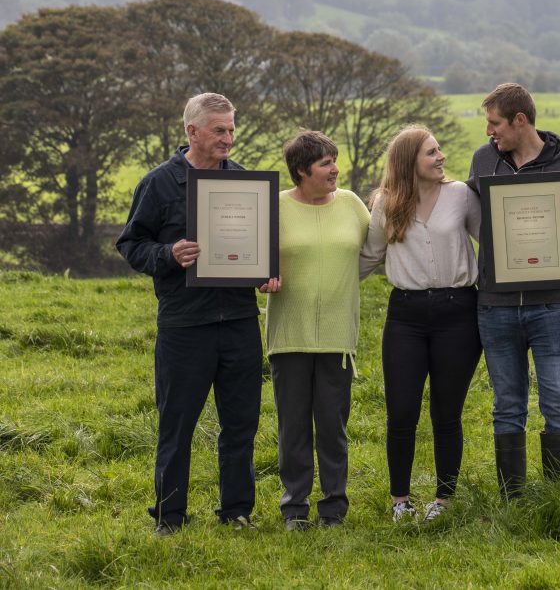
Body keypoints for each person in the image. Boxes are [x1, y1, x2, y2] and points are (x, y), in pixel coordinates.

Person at [117, 93, 274, 534]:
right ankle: (170, 517)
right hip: (184, 325)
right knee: (177, 425)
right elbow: (131, 244)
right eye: (219, 130)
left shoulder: (244, 181)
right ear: (192, 131)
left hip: (240, 321)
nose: (228, 138)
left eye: (231, 129)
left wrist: (265, 272)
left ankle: (237, 511)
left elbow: (259, 244)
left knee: (241, 424)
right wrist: (168, 253)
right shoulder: (158, 184)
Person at [466, 83, 560, 499]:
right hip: (495, 306)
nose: (489, 131)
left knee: (558, 399)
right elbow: (463, 215)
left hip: (552, 306)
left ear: (520, 120)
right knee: (506, 404)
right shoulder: (483, 161)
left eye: (495, 123)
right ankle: (514, 499)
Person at [360, 125, 482, 523]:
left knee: (447, 413)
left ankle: (443, 501)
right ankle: (401, 501)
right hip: (406, 316)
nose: (440, 156)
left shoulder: (462, 195)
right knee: (401, 411)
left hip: (458, 313)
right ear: (408, 160)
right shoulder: (385, 203)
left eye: (439, 150)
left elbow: (494, 242)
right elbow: (369, 256)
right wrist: (315, 282)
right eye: (431, 152)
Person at [262, 131, 370, 531]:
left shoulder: (352, 204)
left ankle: (333, 508)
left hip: (338, 337)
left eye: (334, 160)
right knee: (293, 428)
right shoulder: (274, 208)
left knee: (332, 427)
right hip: (289, 335)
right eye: (326, 163)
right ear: (302, 170)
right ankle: (294, 508)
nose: (335, 169)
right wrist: (262, 277)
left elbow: (376, 250)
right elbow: (256, 259)